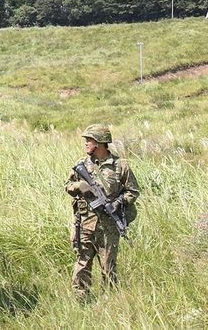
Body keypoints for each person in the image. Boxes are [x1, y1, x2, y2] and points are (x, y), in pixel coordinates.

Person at [65, 123, 140, 300]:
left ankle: (110, 300)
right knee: (83, 263)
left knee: (108, 266)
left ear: (99, 142)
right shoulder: (81, 165)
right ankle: (81, 299)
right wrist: (79, 186)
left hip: (109, 227)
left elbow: (133, 191)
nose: (86, 144)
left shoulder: (120, 166)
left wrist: (119, 202)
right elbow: (67, 186)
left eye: (88, 140)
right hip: (85, 223)